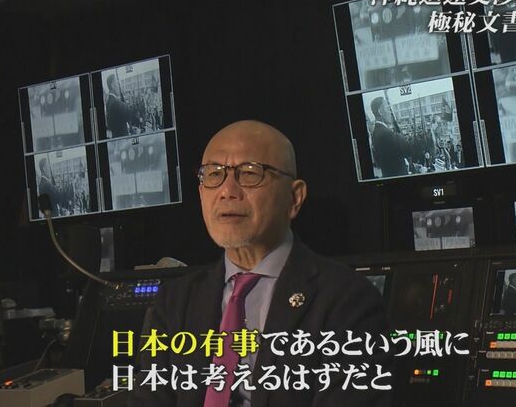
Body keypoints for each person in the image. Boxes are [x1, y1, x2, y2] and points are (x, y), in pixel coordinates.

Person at [130, 120, 392, 407]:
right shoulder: (174, 302)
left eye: (250, 173)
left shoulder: (348, 300)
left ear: (294, 197)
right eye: (214, 174)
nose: (227, 191)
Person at [370, 96, 409, 177]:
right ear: (380, 111)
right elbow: (407, 150)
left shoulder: (375, 133)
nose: (390, 112)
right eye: (388, 108)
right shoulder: (386, 134)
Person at [104, 74, 134, 138]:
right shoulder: (115, 102)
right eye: (117, 83)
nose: (119, 85)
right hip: (122, 138)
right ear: (112, 85)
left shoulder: (109, 102)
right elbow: (129, 115)